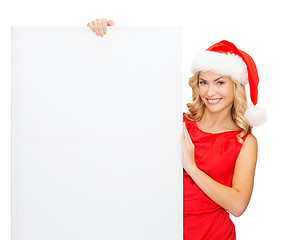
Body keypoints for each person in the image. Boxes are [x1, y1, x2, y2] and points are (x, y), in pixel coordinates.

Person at [87, 18, 267, 240]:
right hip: (160, 230)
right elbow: (126, 103)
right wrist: (109, 42)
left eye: (220, 82)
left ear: (236, 86)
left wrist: (191, 167)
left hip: (213, 235)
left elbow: (238, 206)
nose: (210, 92)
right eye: (204, 82)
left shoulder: (244, 141)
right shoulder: (177, 122)